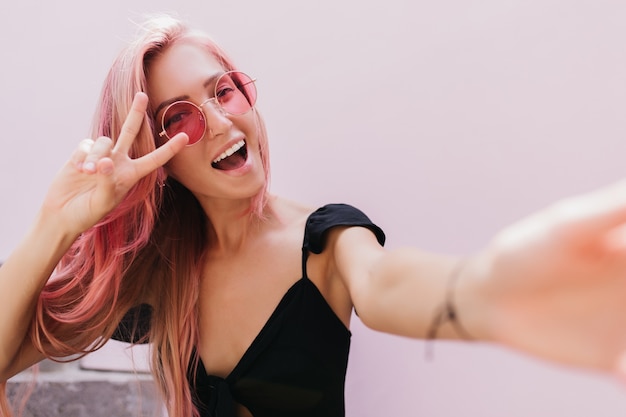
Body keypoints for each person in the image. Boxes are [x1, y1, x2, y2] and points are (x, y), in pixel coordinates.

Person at [2, 13, 626, 417]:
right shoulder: (162, 269)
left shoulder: (327, 240)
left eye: (223, 90)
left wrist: (489, 289)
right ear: (157, 159)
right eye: (181, 118)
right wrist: (54, 225)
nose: (219, 121)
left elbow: (388, 286)